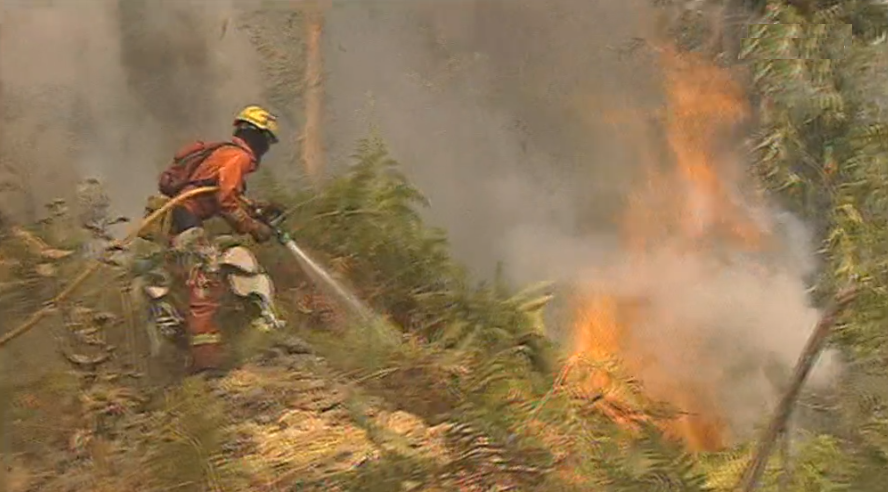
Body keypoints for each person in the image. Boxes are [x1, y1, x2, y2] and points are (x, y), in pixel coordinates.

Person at [144, 105, 284, 374]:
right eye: (266, 140)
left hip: (182, 219)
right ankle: (204, 362)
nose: (265, 147)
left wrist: (258, 208)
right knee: (206, 279)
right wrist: (253, 226)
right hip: (186, 220)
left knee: (194, 278)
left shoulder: (224, 153)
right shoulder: (238, 157)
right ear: (257, 136)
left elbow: (224, 194)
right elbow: (226, 199)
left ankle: (179, 334)